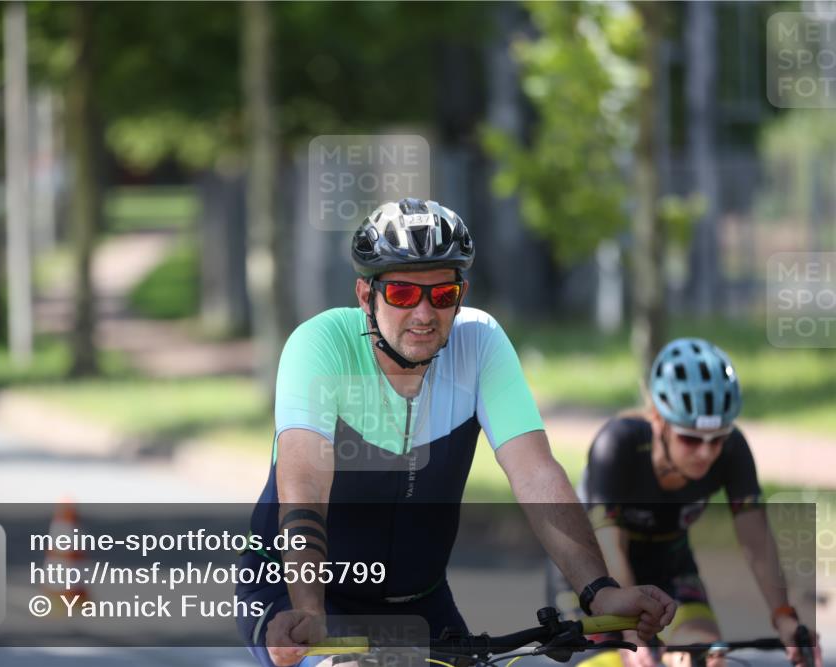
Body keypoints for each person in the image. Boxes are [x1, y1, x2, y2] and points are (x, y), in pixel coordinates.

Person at [235, 198, 676, 667]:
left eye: (443, 295)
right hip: (300, 595)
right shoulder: (320, 345)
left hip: (421, 603)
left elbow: (536, 474)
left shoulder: (480, 342)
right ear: (366, 295)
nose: (425, 313)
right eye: (404, 294)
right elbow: (304, 486)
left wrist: (599, 592)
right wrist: (309, 611)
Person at [547, 337, 822, 667]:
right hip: (597, 574)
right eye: (690, 438)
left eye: (717, 438)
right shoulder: (618, 444)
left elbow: (757, 541)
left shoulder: (733, 450)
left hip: (670, 567)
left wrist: (784, 616)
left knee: (708, 658)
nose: (706, 452)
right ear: (658, 420)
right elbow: (609, 545)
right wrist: (634, 636)